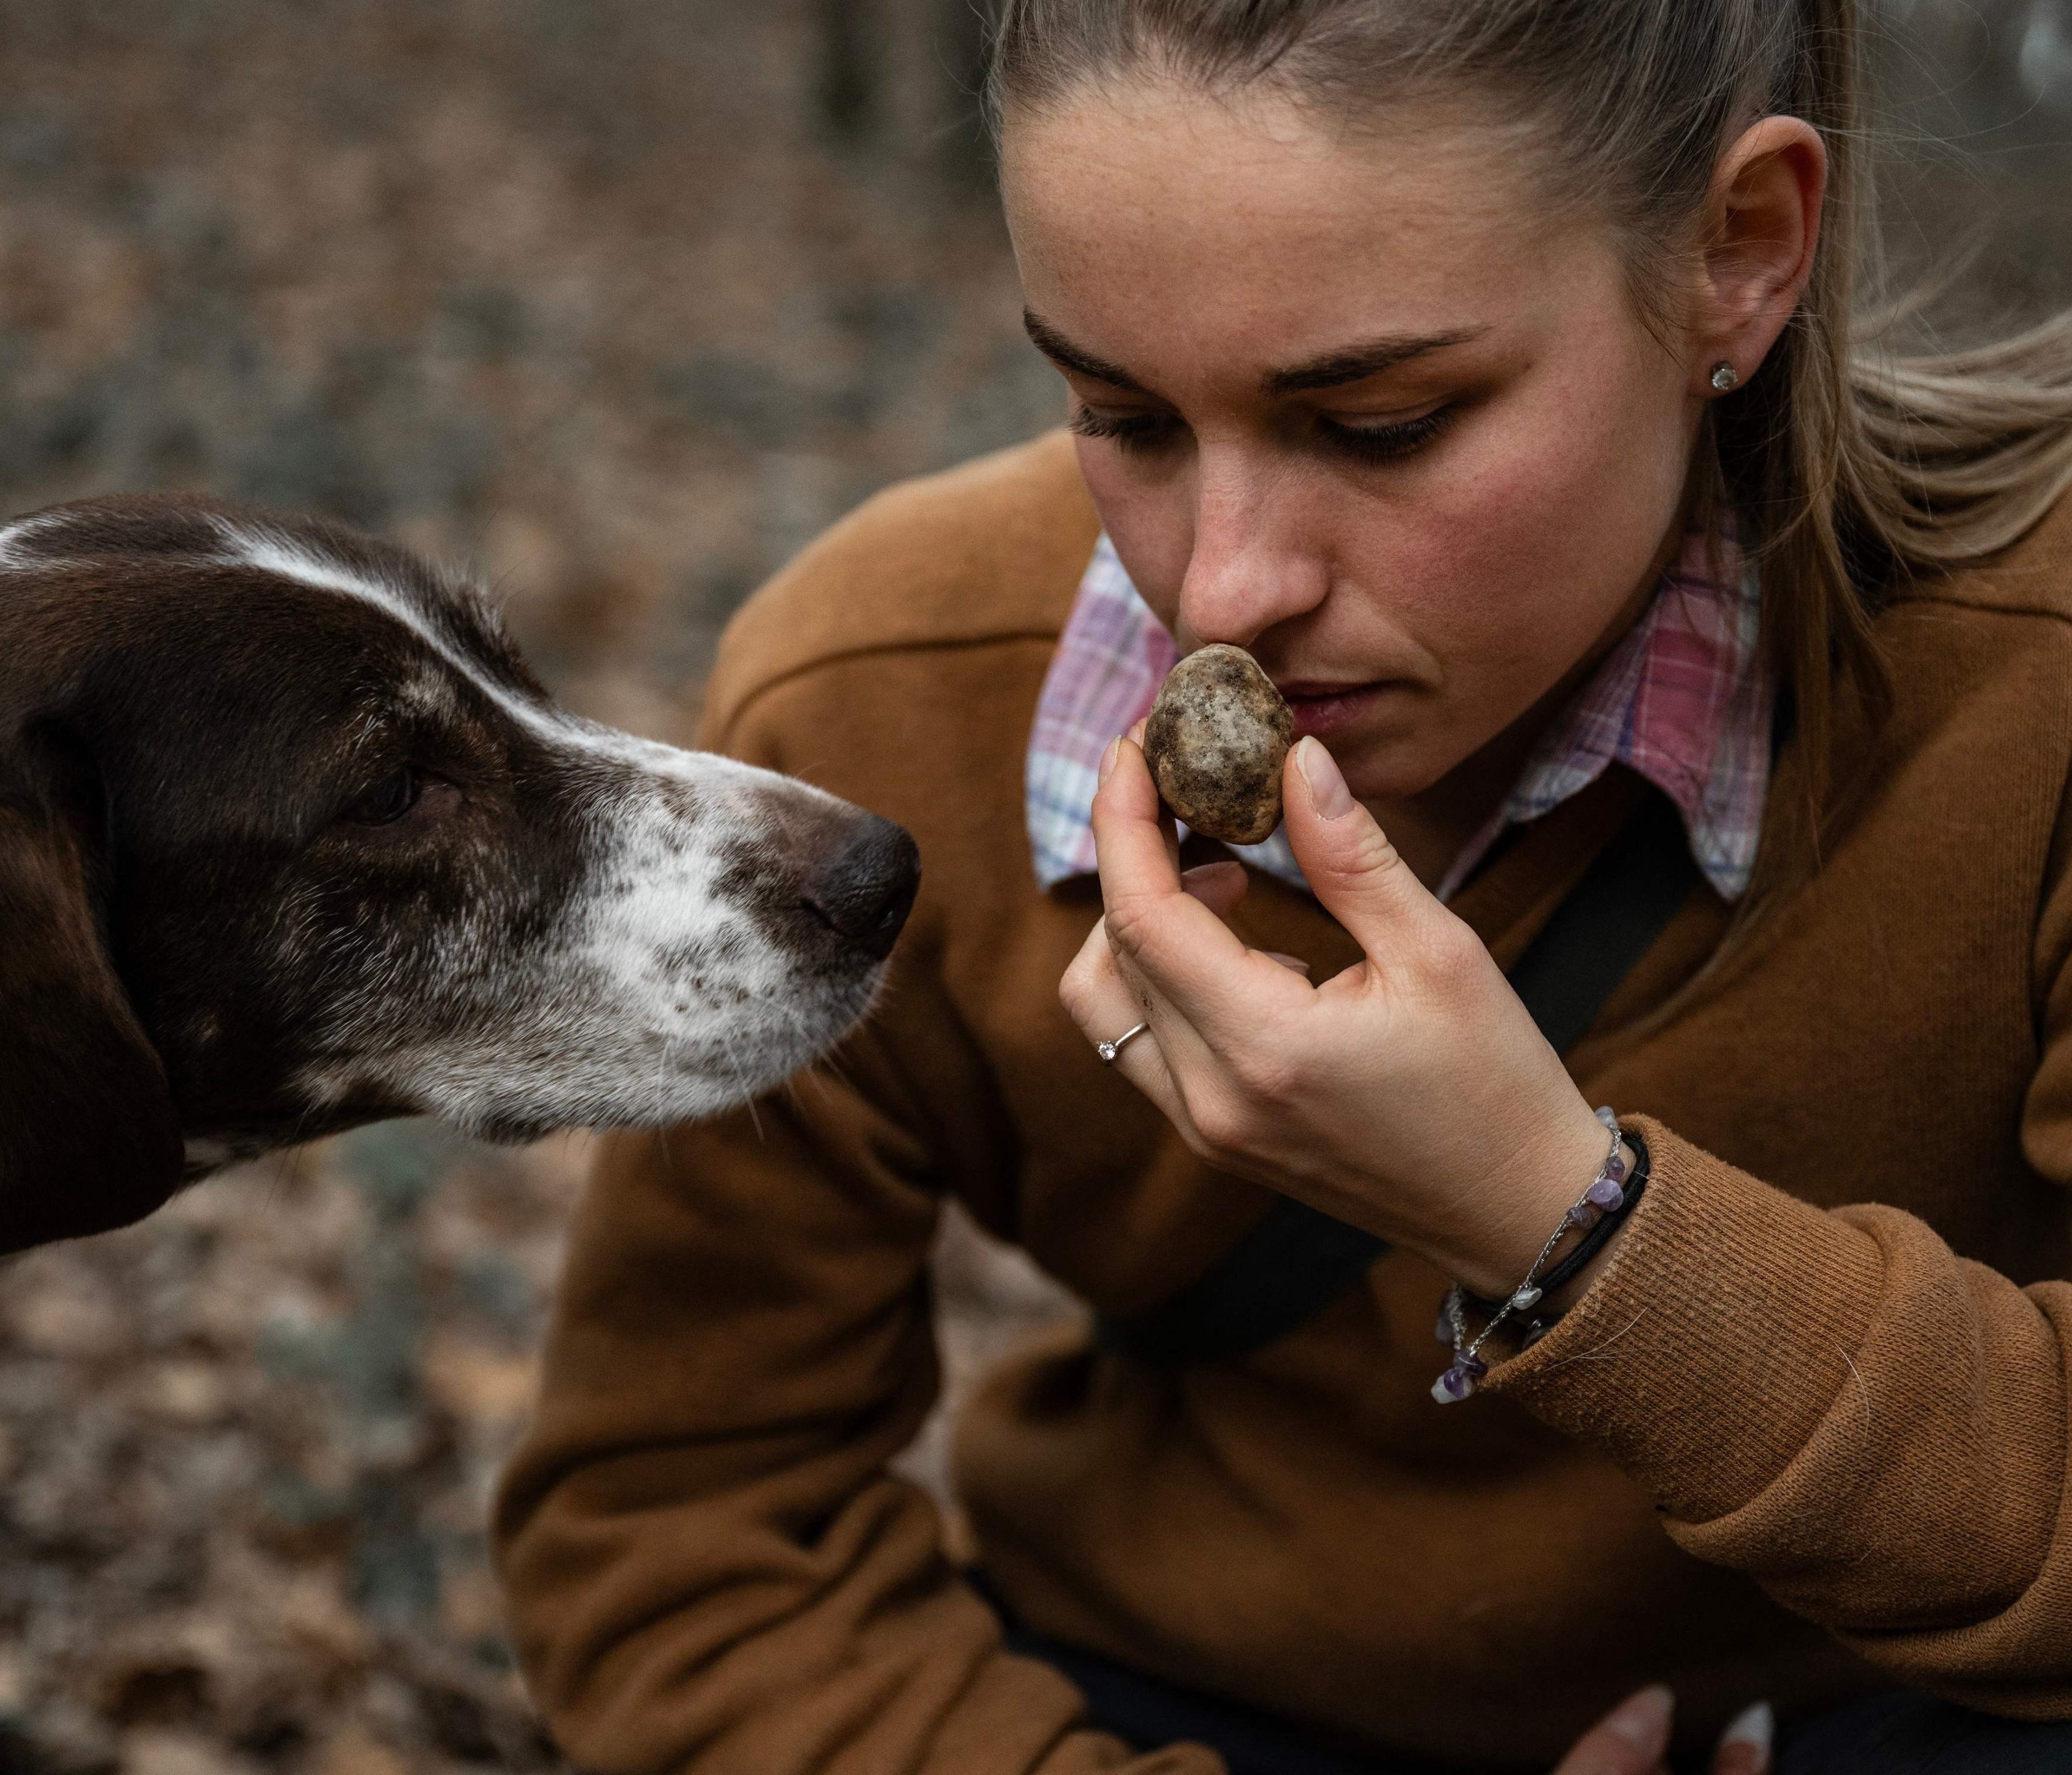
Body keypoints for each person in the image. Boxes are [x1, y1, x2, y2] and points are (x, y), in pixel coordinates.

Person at [493, 1, 2072, 1770]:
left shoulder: (2033, 693)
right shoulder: (871, 706)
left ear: (1737, 252)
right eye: (1121, 416)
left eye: (1380, 422)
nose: (1221, 586)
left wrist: (1565, 1222)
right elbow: (684, 1530)